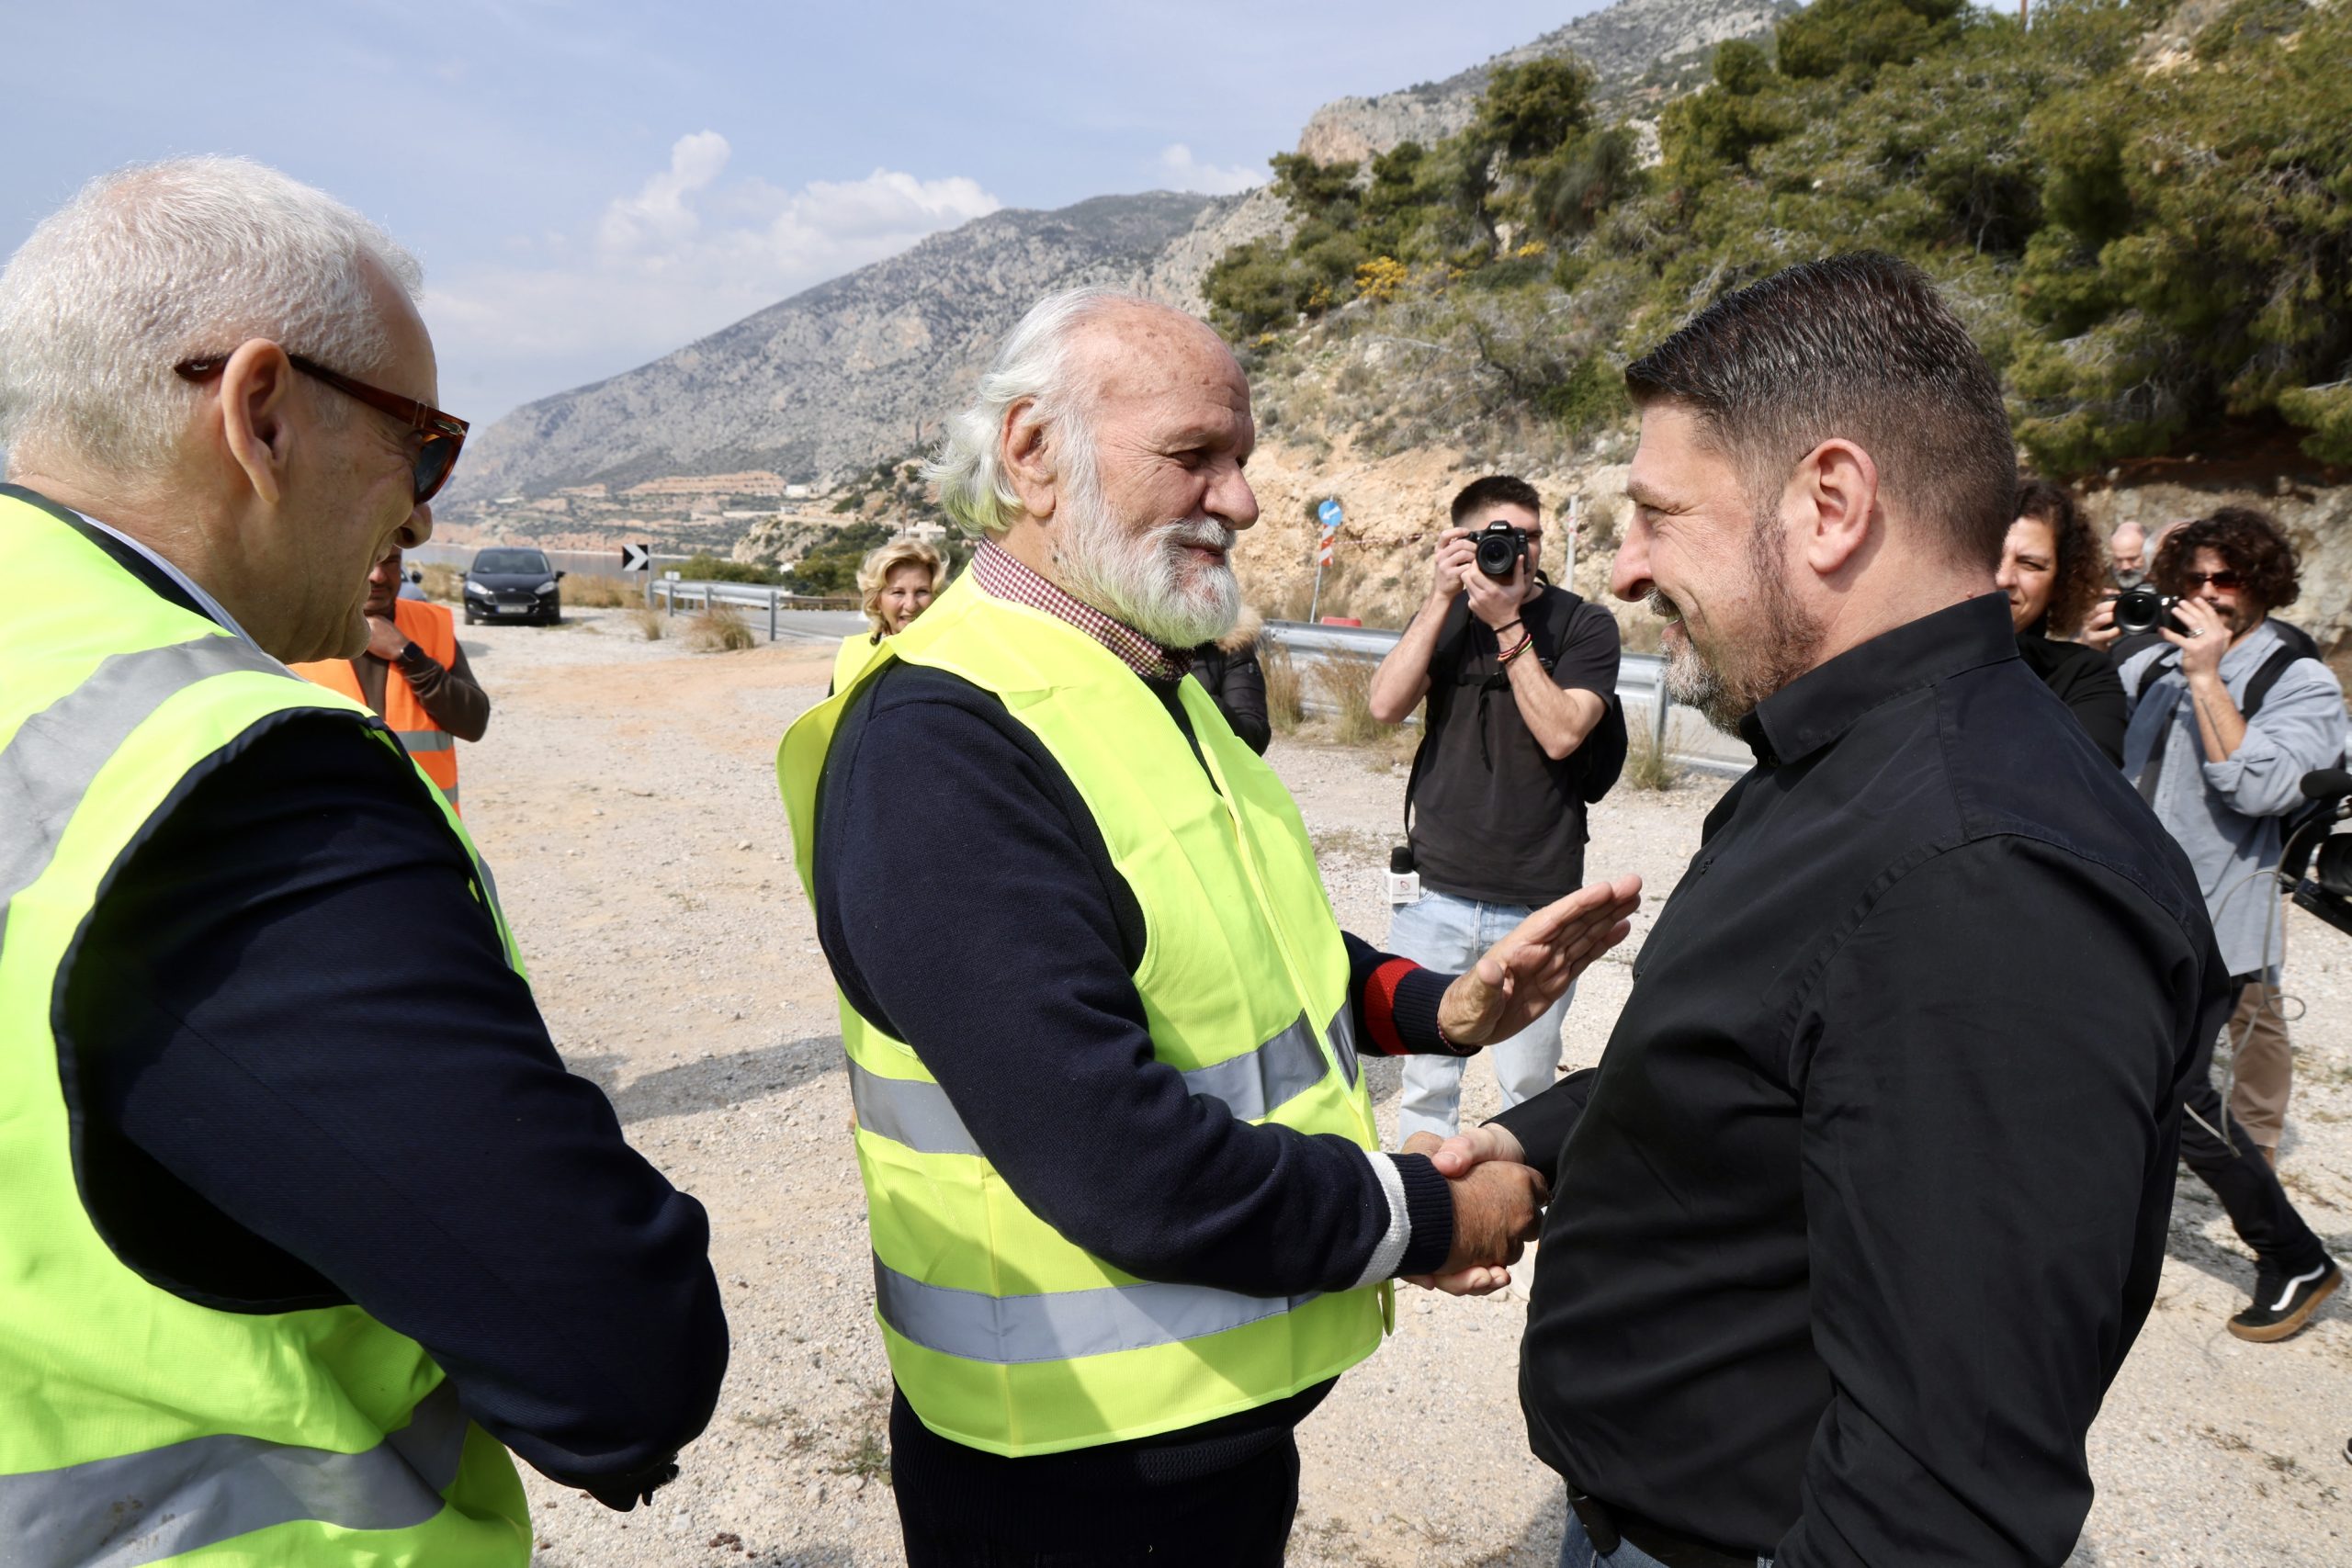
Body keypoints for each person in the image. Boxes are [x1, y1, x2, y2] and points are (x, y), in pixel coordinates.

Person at [777, 286, 1641, 1566]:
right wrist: (1424, 1215)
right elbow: (1115, 1155)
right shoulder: (939, 742)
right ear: (1032, 453)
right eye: (1193, 456)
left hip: (1206, 1430)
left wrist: (1436, 1006)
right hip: (1071, 1473)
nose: (1239, 501)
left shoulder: (1147, 677)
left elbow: (1246, 942)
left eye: (1241, 459)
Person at [1418, 254, 2234, 1567]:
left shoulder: (1985, 878)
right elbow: (1769, 1069)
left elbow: (1938, 1502)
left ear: (1831, 504)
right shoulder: (1836, 762)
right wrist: (1530, 1142)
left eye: (1657, 514)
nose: (1625, 569)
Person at [0, 157, 727, 1560]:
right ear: (261, 413)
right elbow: (616, 1352)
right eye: (423, 446)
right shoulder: (220, 774)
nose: (426, 515)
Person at [1368, 476, 1623, 1140]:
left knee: (1526, 1089)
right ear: (1460, 540)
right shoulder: (1446, 614)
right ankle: (1426, 1201)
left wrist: (1508, 624)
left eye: (1531, 536)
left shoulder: (1584, 624)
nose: (1519, 550)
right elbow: (1385, 706)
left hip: (1539, 899)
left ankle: (1516, 1201)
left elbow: (1563, 733)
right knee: (1426, 1087)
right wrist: (1438, 599)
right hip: (1435, 894)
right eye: (1499, 537)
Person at [2120, 510, 2347, 1197]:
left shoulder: (2298, 679)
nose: (2208, 591)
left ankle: (2265, 1189)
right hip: (2134, 903)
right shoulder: (2154, 662)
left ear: (2263, 582)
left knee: (2229, 1044)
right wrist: (2093, 654)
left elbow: (2262, 788)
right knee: (2143, 1067)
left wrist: (2207, 678)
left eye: (2227, 578)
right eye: (2194, 578)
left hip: (2225, 908)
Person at [290, 538, 489, 812]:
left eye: (391, 562)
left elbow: (473, 723)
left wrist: (410, 656)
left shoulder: (432, 625)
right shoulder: (295, 637)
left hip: (427, 824)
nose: (379, 576)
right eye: (367, 560)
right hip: (338, 825)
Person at [1999, 479, 2125, 762]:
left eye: (2030, 564)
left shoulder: (2084, 676)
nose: (2004, 578)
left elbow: (2091, 779)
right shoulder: (1912, 649)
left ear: (2060, 583)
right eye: (1991, 556)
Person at [834, 536, 947, 691]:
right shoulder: (852, 655)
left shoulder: (952, 656)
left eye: (922, 591)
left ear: (936, 596)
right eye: (898, 592)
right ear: (877, 599)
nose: (911, 605)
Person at [1189, 604, 1272, 753]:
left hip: (1205, 764)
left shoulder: (1232, 644)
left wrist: (1204, 703)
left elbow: (1255, 737)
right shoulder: (1144, 647)